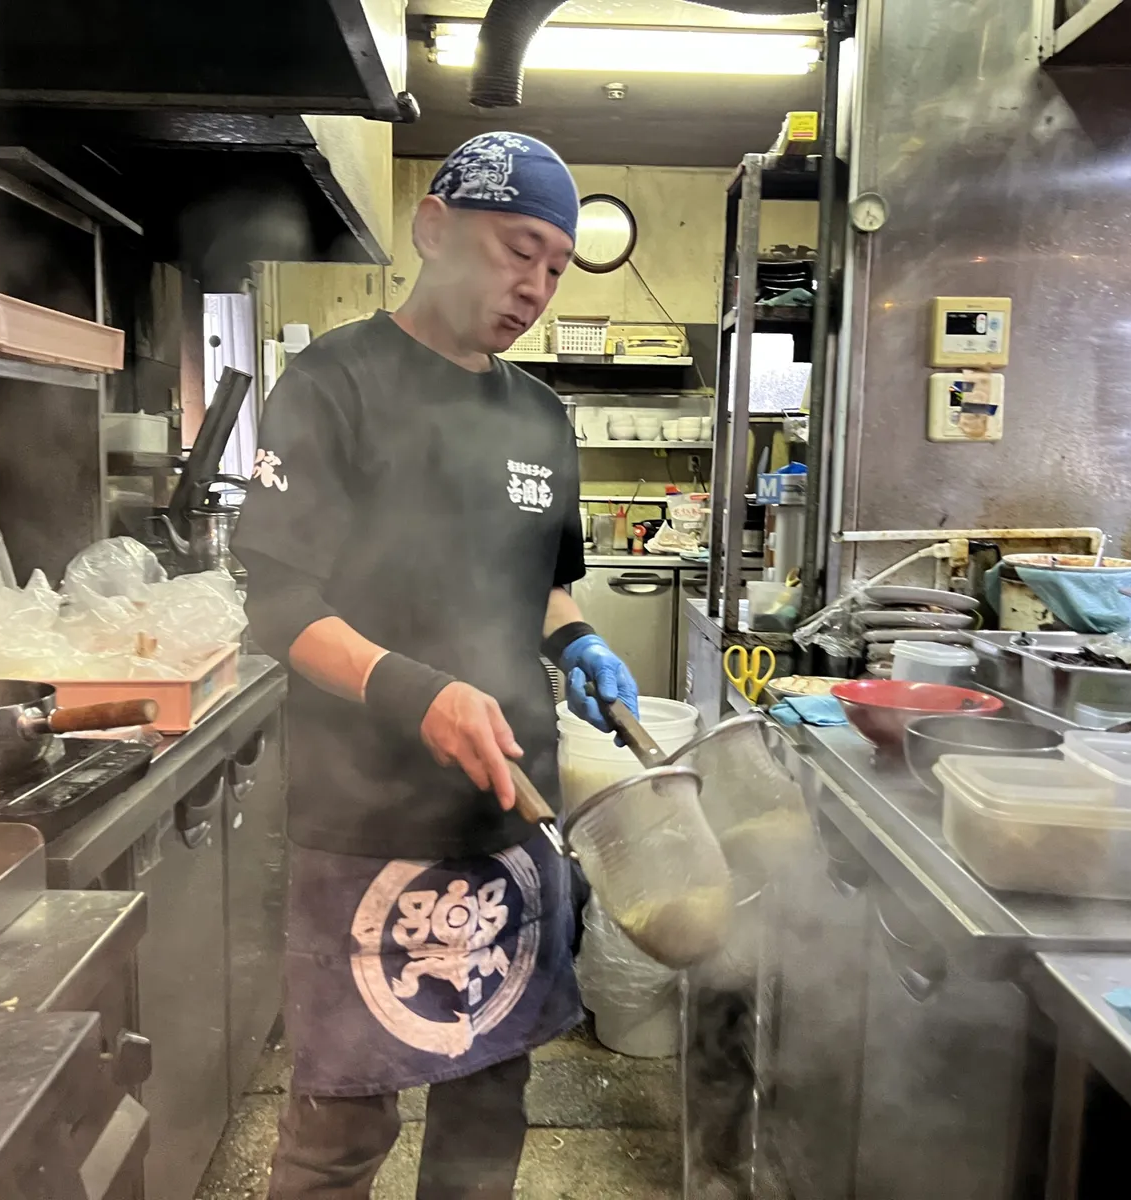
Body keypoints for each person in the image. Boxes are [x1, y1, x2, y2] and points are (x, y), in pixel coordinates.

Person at [232, 131, 642, 1199]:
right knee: (339, 1127)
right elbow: (280, 605)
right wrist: (419, 693)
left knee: (489, 1111)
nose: (536, 287)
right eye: (518, 251)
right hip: (363, 823)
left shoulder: (541, 417)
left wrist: (579, 641)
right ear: (433, 229)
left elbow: (543, 584)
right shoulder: (333, 383)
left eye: (556, 268)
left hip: (507, 814)